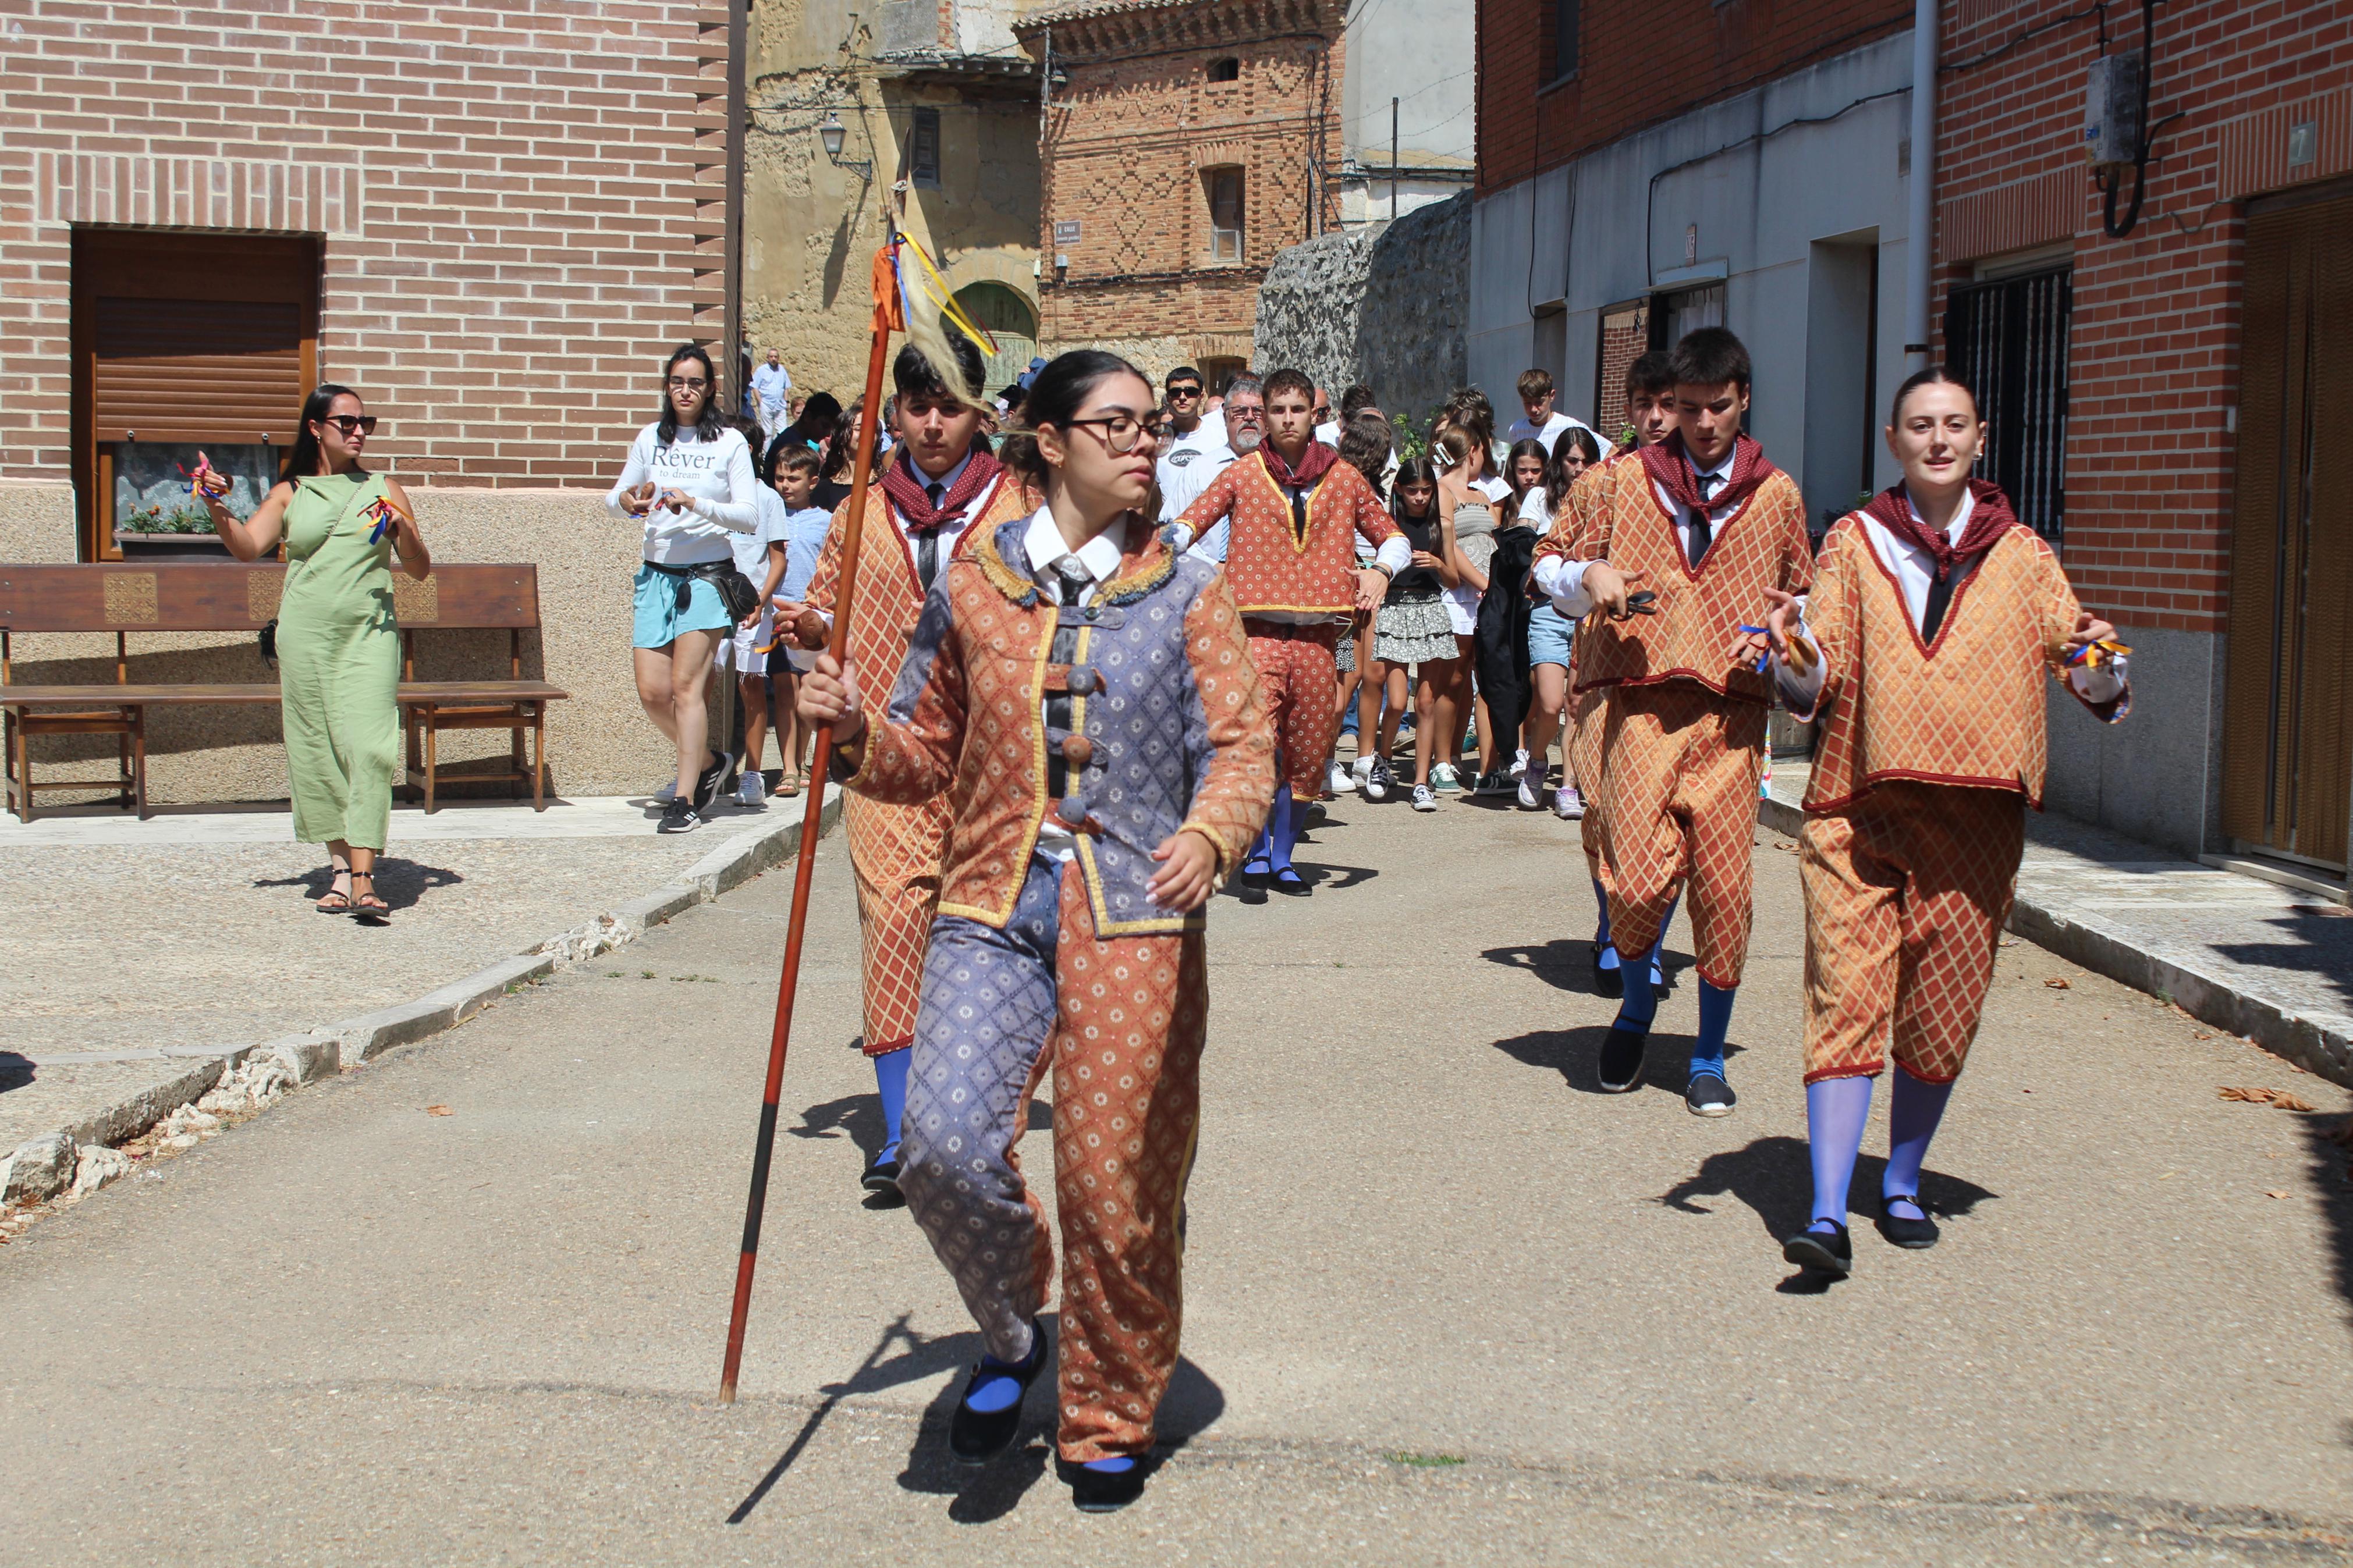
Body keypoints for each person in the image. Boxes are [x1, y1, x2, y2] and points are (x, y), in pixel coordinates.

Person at [797, 349, 1275, 1513]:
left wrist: (1212, 835)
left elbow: (1241, 746)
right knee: (941, 1145)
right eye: (1112, 424)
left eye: (1149, 426)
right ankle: (1014, 1332)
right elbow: (920, 753)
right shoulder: (973, 582)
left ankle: (1107, 1407)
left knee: (1112, 1182)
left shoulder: (1187, 589)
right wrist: (855, 726)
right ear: (1051, 443)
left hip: (1134, 913)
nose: (1140, 443)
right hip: (988, 904)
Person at [1763, 368, 2128, 1277]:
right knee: (1844, 996)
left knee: (1940, 1011)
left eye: (1952, 424)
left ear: (1978, 437)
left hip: (1975, 824)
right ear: (1891, 441)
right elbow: (1816, 668)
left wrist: (2100, 657)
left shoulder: (2026, 554)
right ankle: (1823, 1212)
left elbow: (2082, 661)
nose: (1936, 439)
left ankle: (1900, 1182)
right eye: (1918, 425)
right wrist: (1791, 649)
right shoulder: (1852, 543)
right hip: (1858, 807)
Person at [1537, 327, 1811, 1117]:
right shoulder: (1620, 482)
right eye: (1683, 408)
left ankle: (1704, 1052)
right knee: (1631, 878)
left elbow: (1805, 594)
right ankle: (1632, 1005)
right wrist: (1585, 573)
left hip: (1728, 720)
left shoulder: (1777, 495)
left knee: (1725, 889)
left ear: (1742, 400)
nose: (1696, 423)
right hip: (1639, 710)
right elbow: (1546, 558)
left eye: (1713, 408)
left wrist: (1788, 632)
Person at [790, 334, 1029, 1200]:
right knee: (892, 923)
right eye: (916, 407)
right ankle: (896, 1136)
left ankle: (973, 1124)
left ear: (978, 413)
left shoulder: (1019, 503)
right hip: (884, 750)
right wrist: (811, 628)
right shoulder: (857, 512)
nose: (932, 424)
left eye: (950, 407)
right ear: (892, 413)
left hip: (992, 756)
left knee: (983, 935)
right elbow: (829, 602)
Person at [194, 385, 427, 918]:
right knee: (317, 747)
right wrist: (214, 504)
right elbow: (247, 547)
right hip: (305, 635)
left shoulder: (384, 487)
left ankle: (367, 877)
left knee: (369, 747)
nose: (359, 431)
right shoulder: (290, 492)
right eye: (346, 422)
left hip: (369, 634)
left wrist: (403, 532)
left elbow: (417, 568)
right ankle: (341, 872)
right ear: (315, 428)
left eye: (364, 421)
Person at [1174, 368, 1404, 890]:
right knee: (1259, 746)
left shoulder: (1344, 476)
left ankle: (1284, 855)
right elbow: (1190, 524)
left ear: (1313, 415)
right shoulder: (1241, 473)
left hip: (1322, 636)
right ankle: (1255, 854)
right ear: (1265, 415)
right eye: (1276, 410)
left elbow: (1391, 536)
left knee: (1307, 750)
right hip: (1254, 633)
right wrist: (1153, 556)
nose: (1285, 420)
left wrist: (1380, 570)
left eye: (1295, 410)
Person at [1532, 350, 1678, 985]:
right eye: (1643, 405)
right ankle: (1611, 928)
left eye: (1667, 404)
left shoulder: (1728, 487)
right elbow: (1544, 559)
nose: (1655, 418)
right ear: (1627, 410)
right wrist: (1584, 575)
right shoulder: (1601, 482)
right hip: (1607, 669)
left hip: (1687, 678)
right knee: (1608, 813)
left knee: (1672, 822)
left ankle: (1643, 941)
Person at [608, 344, 761, 835]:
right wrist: (631, 501)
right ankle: (712, 761)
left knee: (685, 688)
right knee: (653, 692)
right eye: (677, 381)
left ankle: (685, 796)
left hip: (706, 579)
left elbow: (748, 514)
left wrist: (694, 502)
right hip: (656, 577)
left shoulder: (730, 443)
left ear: (710, 388)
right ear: (667, 385)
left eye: (695, 382)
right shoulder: (650, 438)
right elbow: (614, 498)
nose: (685, 390)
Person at [1353, 455, 1458, 811]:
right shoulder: (1389, 526)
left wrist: (1440, 564)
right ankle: (1381, 759)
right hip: (1395, 609)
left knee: (1426, 701)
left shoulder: (1439, 526)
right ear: (1399, 489)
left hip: (1430, 608)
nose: (1420, 498)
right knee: (1396, 700)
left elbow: (1455, 579)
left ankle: (1421, 781)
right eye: (1412, 490)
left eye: (1426, 491)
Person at [1518, 426, 1603, 812]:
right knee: (1549, 704)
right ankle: (1537, 761)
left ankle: (1568, 786)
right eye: (1572, 460)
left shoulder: (1604, 499)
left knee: (1575, 704)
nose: (1579, 467)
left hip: (1588, 615)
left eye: (1586, 460)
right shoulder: (1540, 497)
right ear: (1559, 462)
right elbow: (1524, 539)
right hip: (1547, 609)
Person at [721, 418, 794, 808]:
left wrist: (762, 601)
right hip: (711, 601)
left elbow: (778, 559)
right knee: (695, 684)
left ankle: (752, 774)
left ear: (746, 449)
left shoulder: (767, 499)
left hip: (753, 607)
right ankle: (701, 769)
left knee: (751, 685)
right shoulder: (713, 496)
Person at [1328, 410, 1393, 797]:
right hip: (1345, 590)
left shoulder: (1378, 487)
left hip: (1377, 587)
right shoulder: (1338, 482)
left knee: (1375, 674)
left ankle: (1365, 758)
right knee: (1344, 675)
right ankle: (1325, 756)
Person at [761, 443, 832, 797]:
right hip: (773, 612)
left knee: (805, 692)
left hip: (808, 614)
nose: (785, 485)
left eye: (794, 479)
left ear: (813, 481)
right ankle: (788, 768)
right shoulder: (767, 516)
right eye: (779, 478)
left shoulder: (825, 520)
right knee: (785, 691)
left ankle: (803, 760)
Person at [1429, 426, 1491, 795]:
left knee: (1468, 675)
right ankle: (1440, 760)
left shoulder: (1482, 494)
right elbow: (1450, 549)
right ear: (1472, 451)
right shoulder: (1442, 491)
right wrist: (1482, 583)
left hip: (1485, 596)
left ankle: (1455, 756)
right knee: (1449, 678)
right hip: (1458, 595)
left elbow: (1491, 541)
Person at [1153, 365, 1227, 524]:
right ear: (1168, 397)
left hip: (1212, 531)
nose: (1182, 397)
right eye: (1175, 392)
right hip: (1168, 530)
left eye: (1190, 392)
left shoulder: (1221, 439)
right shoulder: (1155, 440)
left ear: (1201, 396)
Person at [1506, 367, 1602, 455]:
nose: (1533, 409)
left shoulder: (1570, 426)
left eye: (1539, 402)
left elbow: (1610, 451)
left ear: (1552, 396)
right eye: (1527, 403)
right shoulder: (1516, 430)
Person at [765, 390, 840, 476]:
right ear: (808, 417)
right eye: (825, 426)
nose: (827, 434)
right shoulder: (790, 445)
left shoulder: (793, 439)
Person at [751, 349, 793, 442]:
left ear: (778, 358)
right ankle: (766, 455)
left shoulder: (782, 370)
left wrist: (786, 402)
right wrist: (760, 402)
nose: (774, 359)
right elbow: (755, 387)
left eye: (776, 357)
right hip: (766, 404)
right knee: (767, 432)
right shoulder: (761, 370)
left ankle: (782, 452)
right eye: (771, 357)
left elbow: (786, 387)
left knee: (783, 431)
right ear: (768, 358)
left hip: (780, 405)